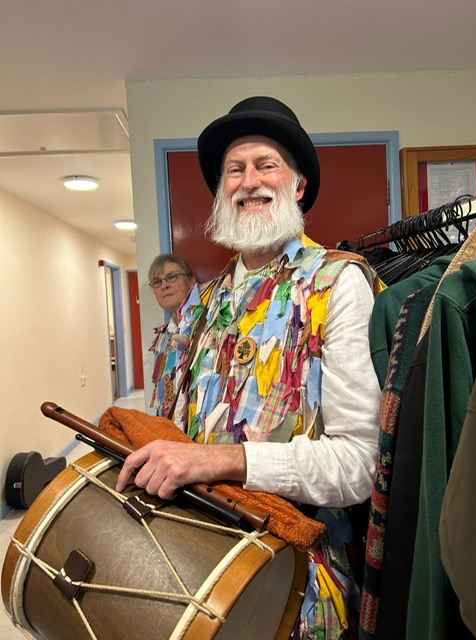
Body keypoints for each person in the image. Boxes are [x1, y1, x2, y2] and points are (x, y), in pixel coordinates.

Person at [117, 96, 382, 638]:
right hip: (190, 566)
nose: (248, 180)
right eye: (234, 170)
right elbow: (166, 431)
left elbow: (359, 465)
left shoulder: (338, 284)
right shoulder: (202, 303)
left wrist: (220, 460)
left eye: (267, 165)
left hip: (294, 586)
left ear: (298, 185)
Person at [148, 253, 196, 416]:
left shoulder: (210, 326)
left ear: (191, 281)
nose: (164, 286)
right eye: (157, 282)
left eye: (172, 277)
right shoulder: (162, 338)